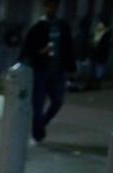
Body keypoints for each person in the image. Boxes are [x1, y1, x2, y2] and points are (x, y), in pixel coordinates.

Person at [21, 0, 75, 143]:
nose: (52, 9)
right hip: (41, 71)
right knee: (37, 104)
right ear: (45, 8)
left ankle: (41, 125)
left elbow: (69, 48)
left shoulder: (63, 26)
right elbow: (26, 51)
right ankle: (37, 133)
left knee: (57, 101)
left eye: (54, 6)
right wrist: (41, 52)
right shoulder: (38, 27)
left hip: (58, 72)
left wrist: (71, 68)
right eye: (49, 6)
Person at [88, 19, 111, 90]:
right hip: (97, 55)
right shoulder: (99, 34)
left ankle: (97, 84)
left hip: (99, 55)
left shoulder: (104, 35)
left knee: (98, 69)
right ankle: (94, 84)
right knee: (96, 69)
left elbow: (101, 45)